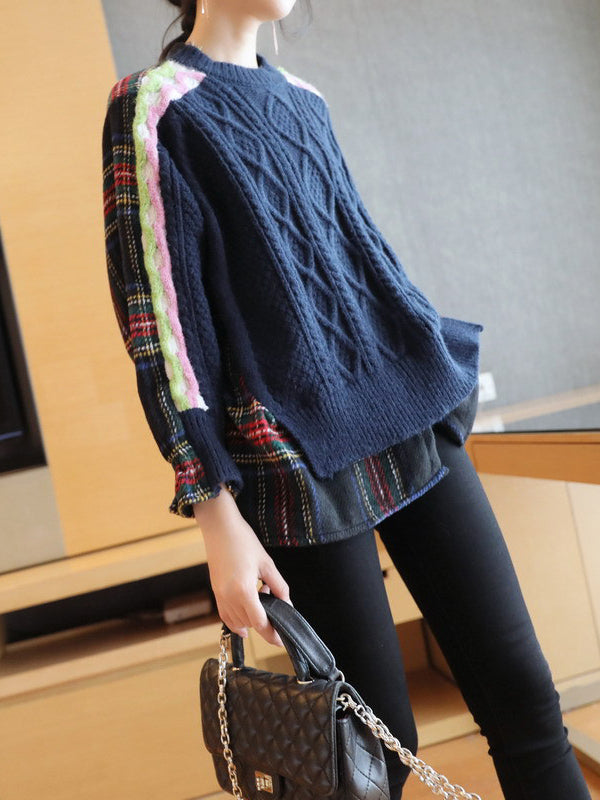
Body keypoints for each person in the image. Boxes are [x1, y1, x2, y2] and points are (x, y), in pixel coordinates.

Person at [101, 1, 592, 797]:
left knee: (526, 702)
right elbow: (162, 326)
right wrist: (215, 512)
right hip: (292, 462)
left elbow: (361, 266)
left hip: (407, 421)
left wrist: (436, 361)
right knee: (370, 763)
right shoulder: (153, 105)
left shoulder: (304, 99)